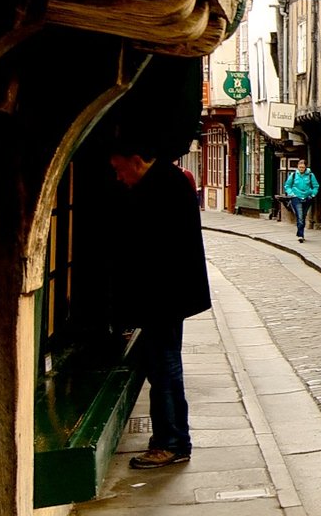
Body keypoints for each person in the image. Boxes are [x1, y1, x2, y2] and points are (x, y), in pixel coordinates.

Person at [109, 144, 212, 469]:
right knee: (164, 368)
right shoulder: (169, 181)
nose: (118, 176)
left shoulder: (159, 188)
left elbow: (148, 255)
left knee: (165, 370)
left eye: (119, 168)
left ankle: (171, 442)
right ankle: (170, 439)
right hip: (167, 299)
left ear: (136, 160)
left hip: (162, 300)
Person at [281, 162, 321, 242]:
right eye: (300, 167)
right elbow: (287, 186)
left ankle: (300, 232)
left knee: (303, 215)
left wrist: (313, 194)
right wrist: (292, 194)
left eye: (303, 167)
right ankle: (300, 235)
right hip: (296, 197)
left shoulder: (310, 175)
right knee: (300, 216)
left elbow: (316, 186)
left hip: (307, 197)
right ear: (297, 167)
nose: (301, 169)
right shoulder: (293, 175)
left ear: (305, 167)